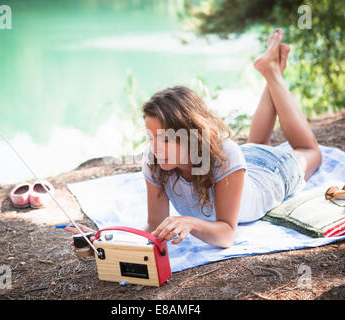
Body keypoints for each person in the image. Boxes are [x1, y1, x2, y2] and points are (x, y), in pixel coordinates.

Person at [66, 28, 322, 249]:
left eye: (166, 139)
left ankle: (274, 74)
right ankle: (270, 69)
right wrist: (105, 238)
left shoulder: (225, 155)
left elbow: (227, 234)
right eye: (150, 137)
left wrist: (192, 224)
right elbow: (154, 226)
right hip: (244, 165)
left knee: (310, 151)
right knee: (256, 144)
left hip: (272, 173)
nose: (155, 148)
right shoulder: (155, 158)